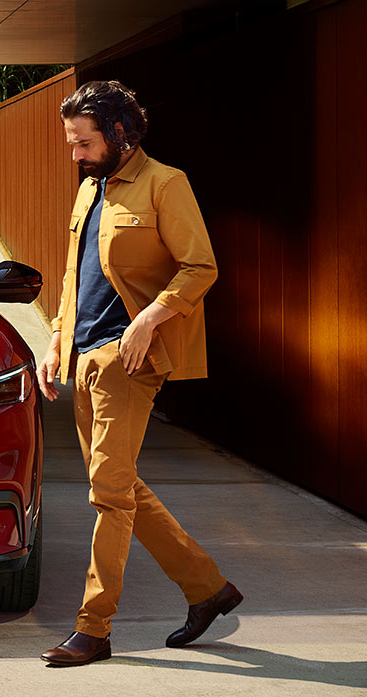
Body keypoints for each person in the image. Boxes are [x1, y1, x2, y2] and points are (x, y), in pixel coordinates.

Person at [36, 80, 242, 667]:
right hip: (83, 359)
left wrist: (150, 320)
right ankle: (208, 589)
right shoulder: (89, 190)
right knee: (120, 485)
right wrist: (55, 339)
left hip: (129, 360)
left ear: (121, 135)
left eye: (83, 142)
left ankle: (93, 628)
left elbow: (200, 267)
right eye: (71, 142)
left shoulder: (165, 184)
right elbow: (77, 275)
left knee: (108, 495)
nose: (75, 154)